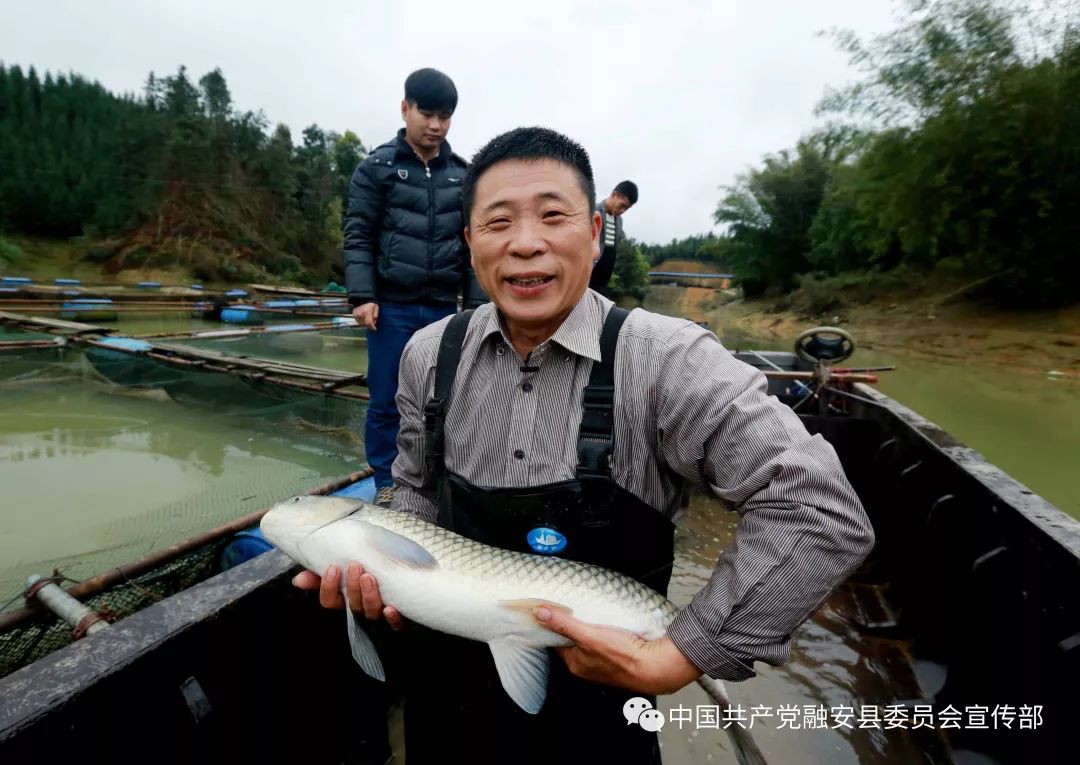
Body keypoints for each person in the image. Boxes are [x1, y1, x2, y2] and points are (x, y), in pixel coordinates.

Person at [298, 127, 874, 763]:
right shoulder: (428, 353)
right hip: (450, 681)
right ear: (469, 244)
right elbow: (411, 489)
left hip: (602, 700)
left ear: (596, 232)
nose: (525, 243)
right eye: (498, 222)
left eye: (553, 216)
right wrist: (380, 576)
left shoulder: (670, 360)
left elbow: (820, 509)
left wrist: (686, 651)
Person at [342, 67, 487, 505]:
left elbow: (473, 246)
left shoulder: (463, 176)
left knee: (448, 397)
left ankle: (440, 474)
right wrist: (363, 295)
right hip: (391, 306)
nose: (436, 125)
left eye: (445, 116)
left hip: (445, 308)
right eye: (427, 113)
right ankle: (387, 479)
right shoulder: (377, 169)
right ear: (405, 108)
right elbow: (359, 233)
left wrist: (477, 307)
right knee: (387, 397)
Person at [589, 179, 638, 296]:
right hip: (589, 276)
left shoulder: (619, 221)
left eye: (626, 209)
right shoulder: (593, 211)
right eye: (622, 206)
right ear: (614, 195)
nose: (623, 211)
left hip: (605, 280)